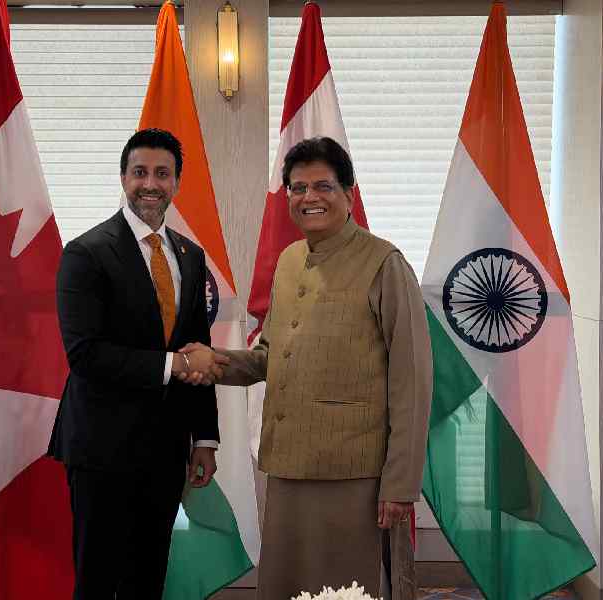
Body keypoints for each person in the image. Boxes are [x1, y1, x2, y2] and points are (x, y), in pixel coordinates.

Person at [182, 137, 433, 600]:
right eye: (298, 188)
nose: (309, 198)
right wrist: (213, 362)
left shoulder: (385, 264)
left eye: (323, 186)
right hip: (289, 468)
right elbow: (271, 356)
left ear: (349, 195)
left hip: (355, 475)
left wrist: (400, 484)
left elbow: (412, 383)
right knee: (291, 587)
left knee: (348, 590)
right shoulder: (290, 261)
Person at [48, 128, 221, 600]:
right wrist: (173, 366)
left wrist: (204, 438)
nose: (150, 183)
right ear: (123, 178)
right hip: (101, 450)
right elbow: (84, 354)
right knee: (100, 580)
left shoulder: (189, 254)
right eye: (140, 172)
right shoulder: (85, 253)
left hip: (165, 451)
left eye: (162, 174)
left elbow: (198, 347)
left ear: (177, 183)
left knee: (148, 577)